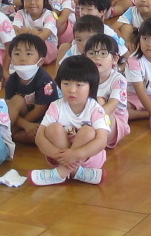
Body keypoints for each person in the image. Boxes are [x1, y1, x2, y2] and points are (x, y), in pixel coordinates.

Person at [30, 55, 113, 186]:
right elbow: (39, 137)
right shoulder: (56, 106)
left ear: (91, 87)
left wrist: (75, 154)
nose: (71, 90)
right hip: (60, 158)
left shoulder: (95, 109)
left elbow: (101, 141)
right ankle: (75, 172)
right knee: (53, 128)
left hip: (89, 159)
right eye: (66, 83)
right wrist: (59, 155)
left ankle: (60, 173)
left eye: (79, 85)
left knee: (88, 132)